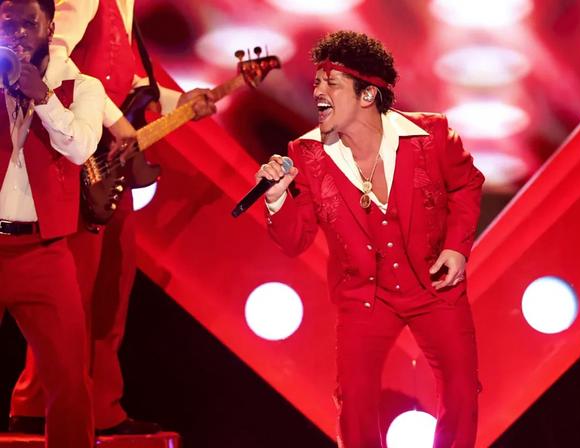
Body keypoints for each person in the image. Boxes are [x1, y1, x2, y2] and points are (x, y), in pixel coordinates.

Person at [257, 30, 484, 448]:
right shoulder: (306, 155)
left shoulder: (431, 135)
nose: (318, 91)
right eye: (316, 82)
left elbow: (467, 184)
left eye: (331, 83)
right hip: (364, 293)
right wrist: (276, 200)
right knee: (355, 399)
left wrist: (456, 247)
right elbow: (295, 240)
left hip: (432, 286)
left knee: (461, 389)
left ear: (367, 95)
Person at [8, 0, 217, 436]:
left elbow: (128, 83)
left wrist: (183, 102)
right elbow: (54, 53)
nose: (19, 28)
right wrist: (114, 121)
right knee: (79, 295)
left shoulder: (123, 11)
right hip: (73, 170)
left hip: (94, 171)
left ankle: (99, 405)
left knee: (109, 287)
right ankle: (35, 402)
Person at [0, 0, 106, 445]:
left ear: (50, 27)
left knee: (68, 379)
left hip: (44, 253)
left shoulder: (81, 85)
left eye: (30, 23)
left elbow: (81, 148)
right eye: (9, 22)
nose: (19, 32)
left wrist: (42, 98)